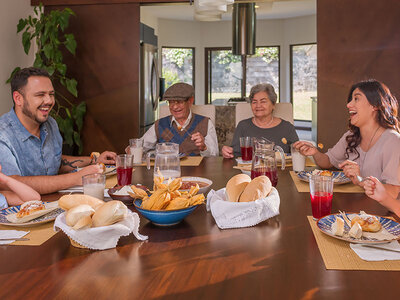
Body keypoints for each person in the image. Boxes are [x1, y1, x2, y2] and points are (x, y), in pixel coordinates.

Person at [0, 67, 117, 194]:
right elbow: (10, 183)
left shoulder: (50, 123)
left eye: (51, 94)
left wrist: (94, 160)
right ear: (18, 98)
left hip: (56, 204)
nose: (49, 101)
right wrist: (76, 178)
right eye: (40, 95)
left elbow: (54, 162)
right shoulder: (3, 135)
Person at [293, 79, 400, 189]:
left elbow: (394, 191)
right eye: (351, 100)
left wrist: (361, 180)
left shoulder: (393, 141)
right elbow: (328, 161)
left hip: (375, 206)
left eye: (356, 99)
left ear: (375, 105)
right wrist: (315, 152)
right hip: (354, 203)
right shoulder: (351, 135)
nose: (349, 105)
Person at [135, 82, 218, 156]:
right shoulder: (160, 124)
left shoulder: (205, 123)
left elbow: (215, 155)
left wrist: (204, 147)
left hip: (196, 172)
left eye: (179, 102)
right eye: (171, 102)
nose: (174, 107)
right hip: (167, 171)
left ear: (190, 101)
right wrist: (133, 149)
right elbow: (140, 146)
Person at [222, 83, 298, 158]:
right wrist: (227, 152)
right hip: (249, 170)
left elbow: (297, 153)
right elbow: (235, 155)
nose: (258, 106)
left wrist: (303, 149)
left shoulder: (287, 128)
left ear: (273, 104)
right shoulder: (243, 126)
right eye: (254, 102)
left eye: (263, 101)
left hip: (281, 169)